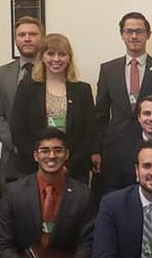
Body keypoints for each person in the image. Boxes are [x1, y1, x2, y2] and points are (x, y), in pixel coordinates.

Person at [0, 128, 96, 258]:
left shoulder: (83, 195)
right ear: (36, 156)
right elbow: (1, 243)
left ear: (67, 155)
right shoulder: (14, 192)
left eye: (58, 150)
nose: (52, 156)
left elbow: (89, 241)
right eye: (45, 151)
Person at [91, 12, 152, 179]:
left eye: (139, 31)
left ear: (148, 35)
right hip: (115, 147)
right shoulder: (108, 70)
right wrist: (96, 150)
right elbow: (100, 115)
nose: (134, 36)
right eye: (129, 31)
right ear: (122, 34)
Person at [11, 33, 95, 182]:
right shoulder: (28, 87)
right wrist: (42, 163)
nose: (56, 59)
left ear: (69, 58)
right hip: (33, 169)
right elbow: (18, 130)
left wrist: (67, 165)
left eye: (62, 54)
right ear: (42, 57)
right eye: (50, 54)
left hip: (73, 171)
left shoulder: (82, 90)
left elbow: (89, 134)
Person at [0, 16, 43, 184]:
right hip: (14, 158)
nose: (27, 38)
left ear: (42, 37)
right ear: (15, 39)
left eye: (33, 34)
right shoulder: (2, 74)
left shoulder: (54, 70)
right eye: (22, 35)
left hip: (48, 156)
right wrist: (16, 144)